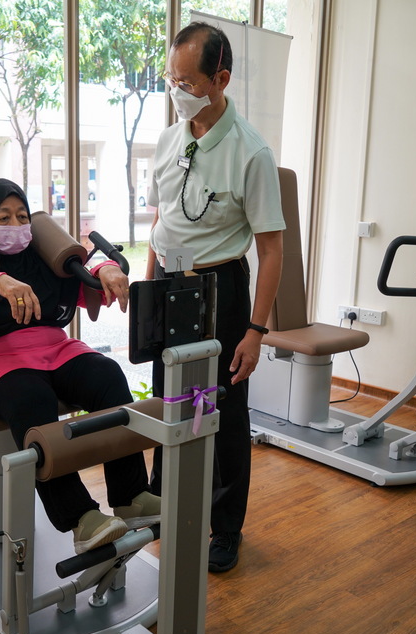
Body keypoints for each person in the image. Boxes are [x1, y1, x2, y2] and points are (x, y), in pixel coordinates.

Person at [0, 178, 160, 554]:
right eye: (3, 218)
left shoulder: (40, 260)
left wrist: (107, 269)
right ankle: (80, 518)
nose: (15, 225)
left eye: (22, 216)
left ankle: (131, 497)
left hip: (51, 349)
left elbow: (85, 282)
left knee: (106, 375)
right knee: (29, 395)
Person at [146, 23, 285, 573]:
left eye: (185, 82)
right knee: (169, 402)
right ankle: (162, 506)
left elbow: (272, 250)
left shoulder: (251, 152)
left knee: (222, 410)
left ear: (220, 79)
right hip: (168, 286)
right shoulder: (168, 139)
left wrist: (255, 332)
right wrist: (148, 289)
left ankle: (226, 529)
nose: (175, 90)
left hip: (220, 288)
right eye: (170, 78)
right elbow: (159, 222)